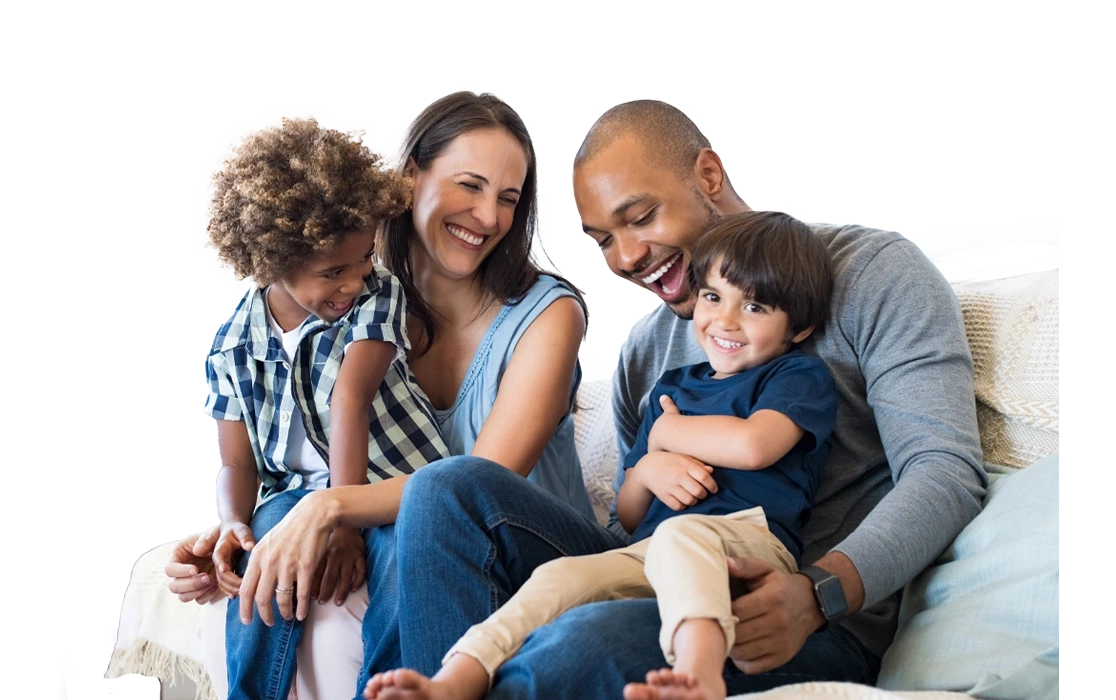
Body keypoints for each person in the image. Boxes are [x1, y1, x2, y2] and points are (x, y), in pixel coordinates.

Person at [387, 98, 988, 698]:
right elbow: (634, 522)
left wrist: (819, 593)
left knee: (577, 645)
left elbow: (944, 472)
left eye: (641, 216)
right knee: (445, 488)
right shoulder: (646, 355)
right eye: (602, 240)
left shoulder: (872, 274)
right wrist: (649, 467)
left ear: (707, 175)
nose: (626, 258)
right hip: (661, 569)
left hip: (795, 613)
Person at [164, 91, 596, 699]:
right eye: (469, 185)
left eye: (508, 198)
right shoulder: (346, 301)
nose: (490, 216)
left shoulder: (546, 315)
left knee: (430, 503)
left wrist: (332, 507)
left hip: (529, 548)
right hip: (416, 530)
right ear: (409, 176)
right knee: (282, 528)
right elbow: (269, 444)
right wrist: (235, 531)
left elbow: (480, 482)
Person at [365, 210, 838, 700]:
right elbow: (630, 514)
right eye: (713, 297)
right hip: (649, 551)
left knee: (682, 534)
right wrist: (650, 464)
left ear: (798, 328)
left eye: (755, 308)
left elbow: (754, 445)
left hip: (748, 546)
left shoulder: (794, 376)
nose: (725, 321)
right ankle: (455, 679)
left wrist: (669, 433)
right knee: (559, 577)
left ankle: (700, 675)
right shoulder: (672, 388)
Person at [198, 113, 450, 700]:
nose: (353, 280)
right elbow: (236, 462)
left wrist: (342, 518)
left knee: (399, 563)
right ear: (270, 262)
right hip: (292, 496)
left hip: (392, 482)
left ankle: (388, 690)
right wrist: (233, 523)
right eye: (332, 271)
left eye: (363, 259)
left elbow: (350, 399)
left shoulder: (375, 294)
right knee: (263, 554)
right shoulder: (230, 342)